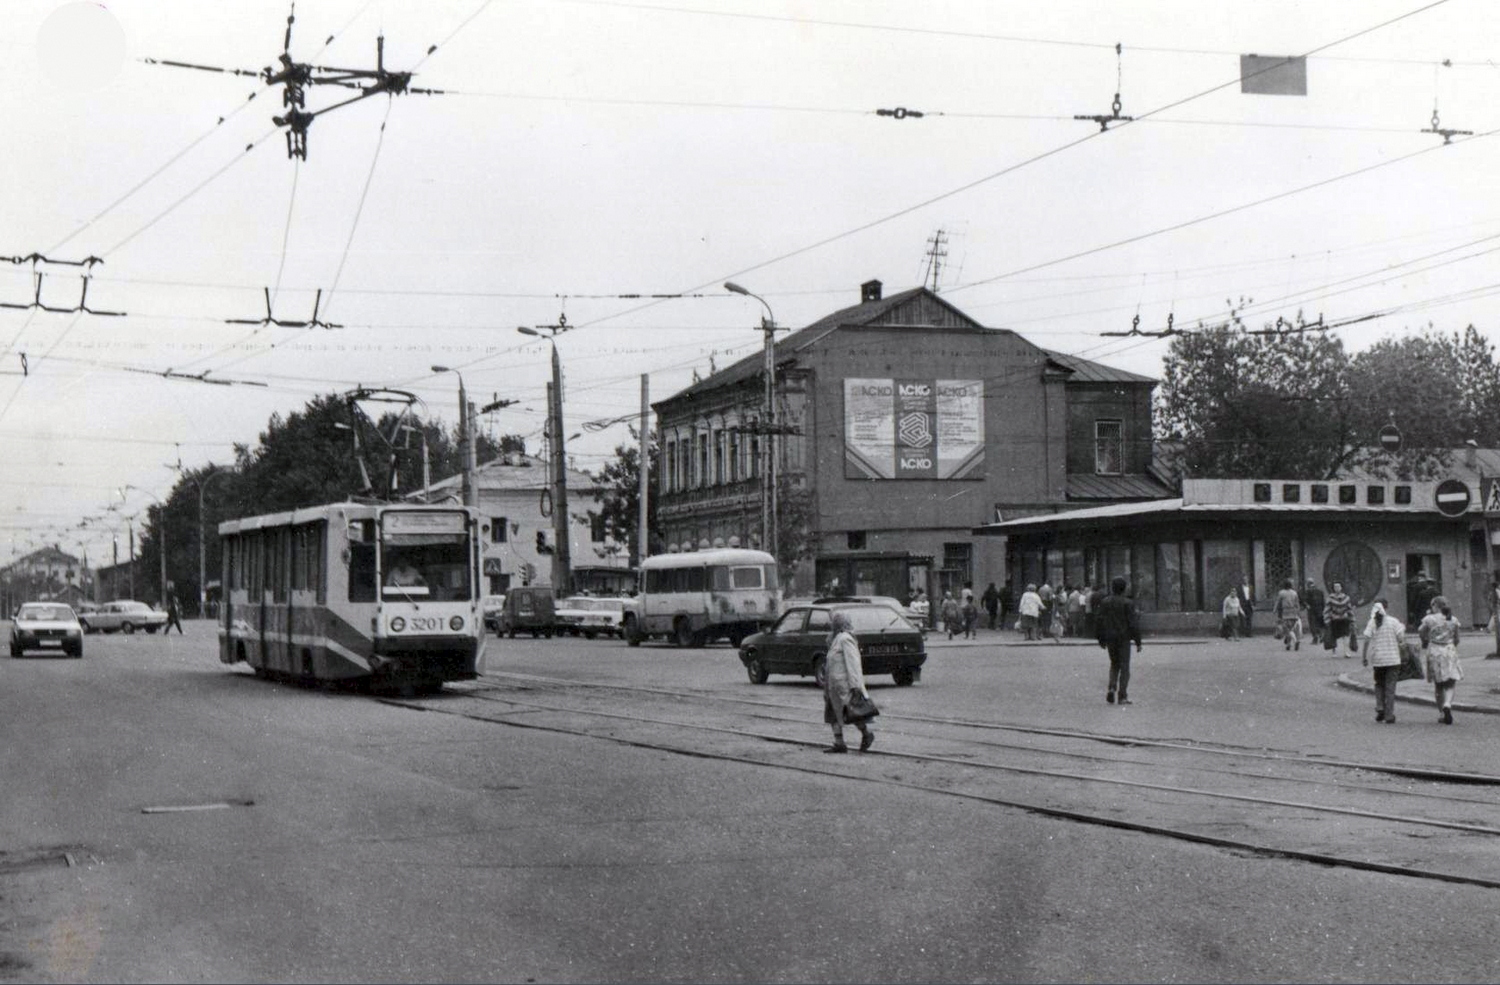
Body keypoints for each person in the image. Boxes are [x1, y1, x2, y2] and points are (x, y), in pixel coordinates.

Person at [822, 611, 874, 753]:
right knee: (832, 714)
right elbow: (829, 666)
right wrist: (826, 688)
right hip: (834, 686)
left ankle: (867, 734)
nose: (833, 625)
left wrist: (855, 685)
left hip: (845, 686)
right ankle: (839, 743)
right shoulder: (835, 639)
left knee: (853, 713)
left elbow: (853, 663)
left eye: (836, 622)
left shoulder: (845, 639)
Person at [1096, 576, 1143, 705]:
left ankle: (1111, 687)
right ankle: (1122, 696)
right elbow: (1133, 624)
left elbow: (1099, 621)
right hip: (1124, 638)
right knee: (1125, 667)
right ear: (1124, 588)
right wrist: (1138, 641)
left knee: (1114, 664)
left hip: (1110, 638)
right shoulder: (1128, 603)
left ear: (1112, 587)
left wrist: (1101, 639)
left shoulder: (1105, 602)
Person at [1418, 595, 1463, 725]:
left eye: (1432, 605)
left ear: (1435, 606)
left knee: (1438, 684)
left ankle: (1442, 713)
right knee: (1450, 682)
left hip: (1435, 651)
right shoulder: (1453, 620)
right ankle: (1448, 704)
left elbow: (1421, 630)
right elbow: (1457, 639)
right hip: (1449, 651)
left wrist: (1425, 640)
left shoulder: (1429, 619)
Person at [1361, 599, 1405, 724]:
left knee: (1379, 684)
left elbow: (1366, 640)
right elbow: (1401, 638)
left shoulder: (1372, 622)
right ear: (1387, 607)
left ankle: (1380, 706)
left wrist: (1364, 657)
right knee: (1390, 687)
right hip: (1393, 659)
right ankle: (1389, 715)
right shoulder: (1393, 622)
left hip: (1378, 660)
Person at [1324, 581, 1356, 658]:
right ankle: (1334, 652)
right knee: (1333, 636)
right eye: (1335, 587)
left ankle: (1346, 652)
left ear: (1341, 588)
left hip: (1344, 620)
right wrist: (1327, 619)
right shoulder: (1330, 598)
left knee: (1345, 635)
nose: (1337, 588)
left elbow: (1349, 609)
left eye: (1338, 587)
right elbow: (1327, 609)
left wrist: (1352, 619)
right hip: (1334, 619)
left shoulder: (1346, 598)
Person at [1274, 579, 1302, 651]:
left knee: (1287, 629)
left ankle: (1295, 641)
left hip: (1286, 613)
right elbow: (1297, 603)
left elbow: (1278, 602)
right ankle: (1288, 644)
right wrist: (1298, 612)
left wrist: (1275, 609)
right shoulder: (1294, 593)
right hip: (1294, 612)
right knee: (1291, 628)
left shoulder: (1281, 593)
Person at [1303, 579, 1326, 646]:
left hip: (1312, 610)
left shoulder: (1308, 591)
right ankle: (1321, 635)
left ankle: (1315, 637)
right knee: (1319, 623)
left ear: (1308, 584)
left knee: (1312, 624)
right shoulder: (1320, 591)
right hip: (1320, 609)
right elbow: (1323, 601)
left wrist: (1307, 605)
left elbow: (1305, 601)